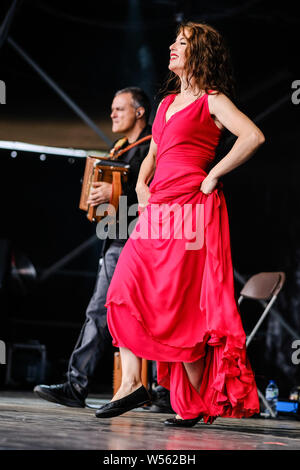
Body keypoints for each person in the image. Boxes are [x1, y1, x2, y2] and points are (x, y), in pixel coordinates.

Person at [95, 21, 265, 426]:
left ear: (199, 53)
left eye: (182, 43)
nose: (172, 47)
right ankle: (133, 384)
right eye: (174, 41)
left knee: (181, 305)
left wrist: (213, 174)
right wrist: (139, 184)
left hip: (192, 206)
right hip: (158, 208)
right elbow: (153, 154)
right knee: (123, 287)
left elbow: (253, 137)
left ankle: (198, 401)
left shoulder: (212, 100)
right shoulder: (166, 102)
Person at [34, 87, 160, 408]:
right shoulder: (120, 148)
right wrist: (98, 197)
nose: (113, 114)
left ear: (140, 112)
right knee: (115, 313)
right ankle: (160, 390)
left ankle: (80, 386)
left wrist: (115, 194)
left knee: (119, 312)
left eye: (120, 109)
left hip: (139, 240)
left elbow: (156, 195)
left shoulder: (152, 147)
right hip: (116, 236)